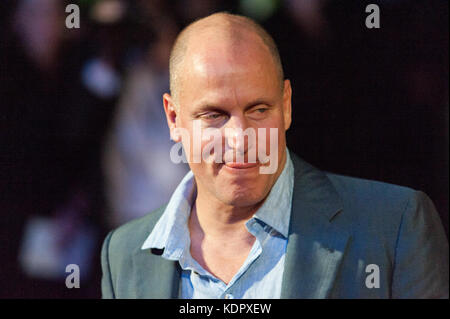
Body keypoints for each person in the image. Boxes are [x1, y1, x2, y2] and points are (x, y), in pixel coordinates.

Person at [100, 12, 448, 299]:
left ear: (286, 105)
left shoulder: (394, 228)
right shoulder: (123, 256)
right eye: (215, 115)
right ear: (174, 119)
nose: (239, 139)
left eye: (258, 110)